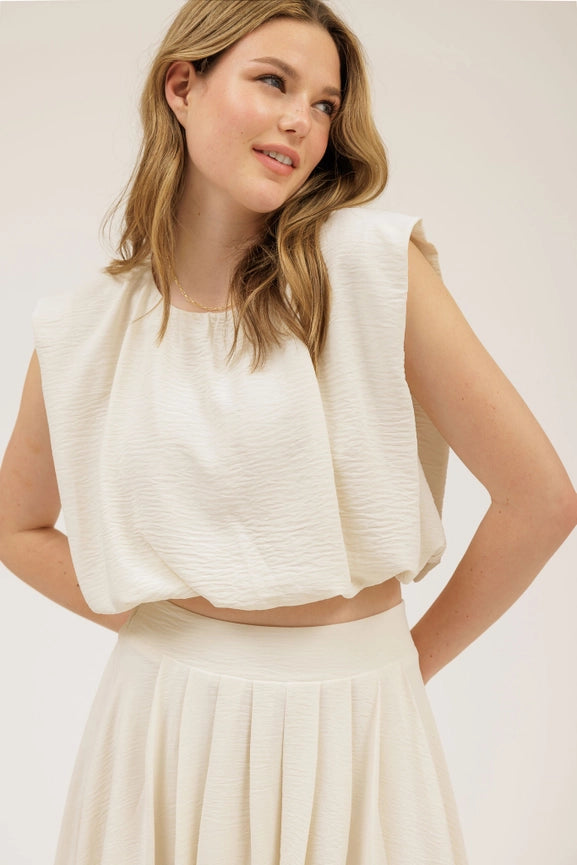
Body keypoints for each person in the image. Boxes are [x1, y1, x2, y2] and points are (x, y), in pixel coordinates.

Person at [0, 0, 575, 862]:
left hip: (356, 722)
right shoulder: (88, 326)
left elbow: (540, 500)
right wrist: (172, 625)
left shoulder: (371, 268)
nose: (301, 120)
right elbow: (15, 524)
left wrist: (397, 667)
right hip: (160, 725)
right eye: (273, 81)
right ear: (182, 86)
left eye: (323, 103)